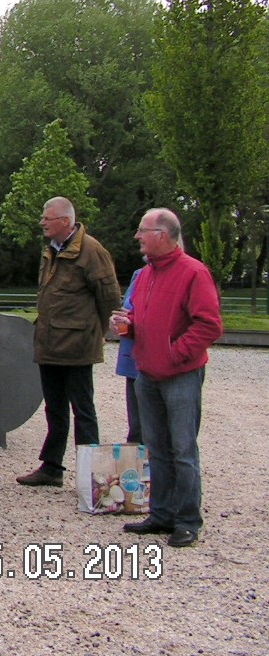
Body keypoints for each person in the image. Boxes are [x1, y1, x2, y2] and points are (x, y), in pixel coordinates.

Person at [116, 208, 221, 549]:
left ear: (162, 234)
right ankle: (161, 513)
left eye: (142, 231)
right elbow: (141, 315)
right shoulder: (146, 274)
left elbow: (208, 325)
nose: (137, 237)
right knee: (157, 448)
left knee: (182, 449)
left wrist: (174, 354)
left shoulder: (193, 273)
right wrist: (129, 326)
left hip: (180, 375)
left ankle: (188, 519)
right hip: (147, 373)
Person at [17, 197, 120, 488]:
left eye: (47, 218)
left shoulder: (91, 251)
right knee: (55, 409)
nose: (42, 222)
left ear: (65, 221)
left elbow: (109, 300)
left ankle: (93, 478)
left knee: (83, 411)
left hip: (77, 347)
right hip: (50, 344)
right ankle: (52, 468)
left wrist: (93, 333)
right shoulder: (50, 250)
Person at [115, 267, 146, 444]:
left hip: (153, 361)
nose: (138, 237)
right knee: (136, 426)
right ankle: (135, 466)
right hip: (132, 360)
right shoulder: (138, 274)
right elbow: (126, 309)